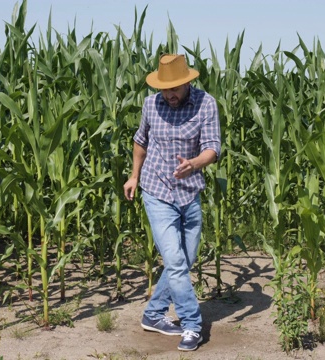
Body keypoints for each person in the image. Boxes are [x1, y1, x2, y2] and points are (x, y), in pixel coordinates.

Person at [123, 54, 221, 351]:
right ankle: (192, 325)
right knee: (176, 262)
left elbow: (213, 148)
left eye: (175, 88)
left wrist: (194, 164)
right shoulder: (151, 104)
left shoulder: (206, 104)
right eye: (165, 89)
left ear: (188, 82)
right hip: (157, 192)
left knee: (185, 259)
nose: (170, 94)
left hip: (189, 192)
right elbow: (141, 140)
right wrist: (133, 176)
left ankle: (153, 314)